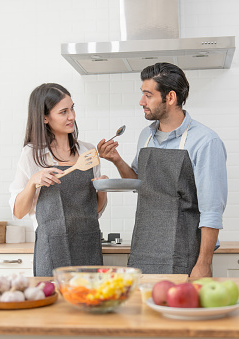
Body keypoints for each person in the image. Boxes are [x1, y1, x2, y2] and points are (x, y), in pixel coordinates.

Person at [97, 63, 227, 278]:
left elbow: (212, 210)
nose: (141, 102)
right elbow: (140, 183)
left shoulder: (205, 141)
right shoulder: (145, 136)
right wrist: (116, 160)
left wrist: (203, 264)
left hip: (184, 251)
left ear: (170, 97)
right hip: (144, 248)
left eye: (148, 95)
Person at [9, 83, 107, 276]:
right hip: (52, 246)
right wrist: (32, 183)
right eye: (63, 112)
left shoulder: (87, 151)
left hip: (87, 243)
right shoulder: (32, 155)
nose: (72, 116)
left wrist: (101, 188)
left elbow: (94, 210)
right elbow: (19, 212)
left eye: (72, 108)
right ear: (45, 118)